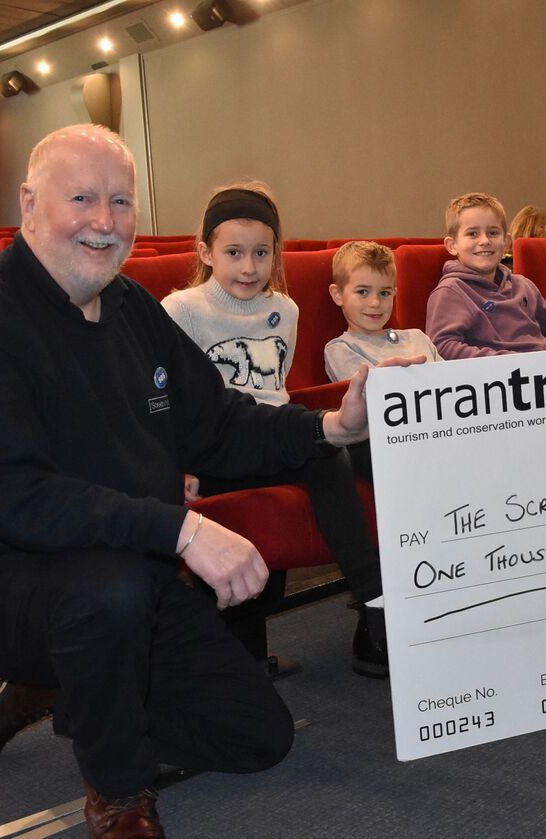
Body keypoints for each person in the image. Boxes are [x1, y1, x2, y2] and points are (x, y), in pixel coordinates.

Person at [0, 125, 407, 837]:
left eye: (120, 201)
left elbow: (219, 424)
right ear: (28, 204)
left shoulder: (131, 309)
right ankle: (118, 793)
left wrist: (333, 425)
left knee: (257, 736)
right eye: (81, 197)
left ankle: (65, 686)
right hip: (5, 585)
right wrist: (181, 528)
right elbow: (14, 497)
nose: (103, 220)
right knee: (106, 589)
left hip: (131, 578)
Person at [161, 184, 389, 678]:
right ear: (205, 252)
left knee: (379, 451)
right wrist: (183, 467)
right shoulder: (180, 310)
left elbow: (276, 392)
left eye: (261, 253)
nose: (249, 268)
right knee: (326, 453)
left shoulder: (285, 310)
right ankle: (375, 609)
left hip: (277, 438)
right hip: (220, 450)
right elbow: (172, 405)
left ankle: (407, 594)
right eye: (234, 253)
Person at [426, 191, 546, 359]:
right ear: (452, 245)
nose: (484, 241)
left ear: (506, 242)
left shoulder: (523, 285)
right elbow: (443, 347)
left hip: (543, 371)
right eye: (472, 234)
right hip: (497, 379)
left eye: (493, 233)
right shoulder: (451, 292)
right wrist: (507, 361)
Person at [325, 240, 442, 381]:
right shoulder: (341, 349)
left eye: (385, 293)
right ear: (338, 295)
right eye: (362, 292)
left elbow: (453, 381)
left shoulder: (418, 338)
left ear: (394, 293)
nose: (375, 302)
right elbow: (363, 394)